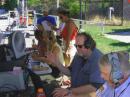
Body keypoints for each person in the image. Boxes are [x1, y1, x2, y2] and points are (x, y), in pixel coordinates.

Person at [44, 32, 105, 97]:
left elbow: (95, 87)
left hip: (86, 95)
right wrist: (57, 62)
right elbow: (70, 72)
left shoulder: (98, 60)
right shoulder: (79, 54)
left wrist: (69, 91)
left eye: (80, 46)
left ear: (89, 46)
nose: (77, 48)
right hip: (73, 92)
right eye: (76, 46)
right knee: (49, 91)